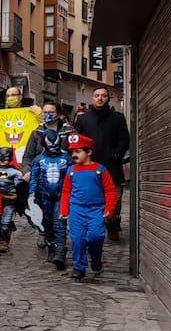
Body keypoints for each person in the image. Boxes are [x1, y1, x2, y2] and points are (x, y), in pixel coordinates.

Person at [73, 85, 130, 241]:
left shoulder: (118, 117)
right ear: (92, 98)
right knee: (90, 196)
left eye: (103, 96)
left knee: (116, 197)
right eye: (97, 95)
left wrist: (117, 153)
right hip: (89, 166)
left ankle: (112, 225)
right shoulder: (83, 119)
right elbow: (76, 141)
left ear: (108, 98)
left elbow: (125, 139)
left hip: (112, 165)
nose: (100, 98)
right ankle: (92, 225)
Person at [60, 132, 118, 281]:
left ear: (89, 152)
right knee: (77, 239)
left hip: (96, 209)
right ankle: (79, 268)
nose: (74, 154)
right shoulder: (71, 171)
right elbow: (66, 191)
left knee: (96, 236)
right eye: (72, 151)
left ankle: (96, 256)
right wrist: (64, 210)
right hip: (77, 209)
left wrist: (109, 209)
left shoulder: (100, 169)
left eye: (78, 151)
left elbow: (110, 190)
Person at [29, 128, 70, 270]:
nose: (53, 148)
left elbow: (72, 178)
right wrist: (32, 195)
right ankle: (52, 249)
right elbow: (34, 177)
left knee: (59, 222)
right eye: (50, 145)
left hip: (61, 195)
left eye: (55, 145)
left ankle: (60, 251)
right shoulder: (38, 160)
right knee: (47, 223)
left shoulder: (66, 159)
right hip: (43, 196)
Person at [0, 147, 22, 254]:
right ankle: (2, 239)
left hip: (9, 200)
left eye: (5, 158)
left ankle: (5, 241)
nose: (2, 160)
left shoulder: (16, 173)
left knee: (5, 222)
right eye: (0, 157)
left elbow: (19, 190)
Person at [23, 102, 74, 169]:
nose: (47, 115)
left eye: (51, 112)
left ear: (58, 114)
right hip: (41, 172)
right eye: (45, 112)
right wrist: (27, 171)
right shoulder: (36, 133)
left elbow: (76, 154)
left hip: (64, 171)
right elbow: (28, 156)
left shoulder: (69, 132)